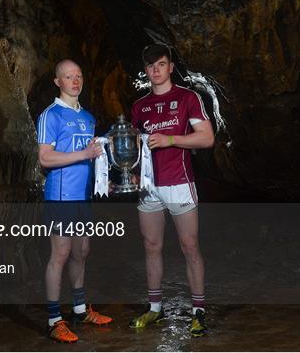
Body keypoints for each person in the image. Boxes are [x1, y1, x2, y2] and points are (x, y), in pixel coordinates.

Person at [129, 44, 215, 337]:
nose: (156, 70)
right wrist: (130, 171)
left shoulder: (187, 97)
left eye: (161, 65)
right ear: (146, 70)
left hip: (179, 182)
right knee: (151, 246)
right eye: (151, 66)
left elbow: (206, 138)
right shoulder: (139, 107)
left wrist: (170, 140)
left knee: (189, 246)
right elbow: (134, 148)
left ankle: (198, 311)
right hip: (149, 187)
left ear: (170, 67)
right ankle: (155, 308)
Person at [36, 59, 112, 343]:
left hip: (83, 197)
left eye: (79, 76)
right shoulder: (51, 115)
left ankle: (80, 309)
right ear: (58, 82)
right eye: (69, 77)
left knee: (82, 251)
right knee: (61, 253)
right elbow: (44, 157)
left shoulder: (89, 118)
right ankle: (55, 319)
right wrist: (83, 156)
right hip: (60, 196)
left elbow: (94, 159)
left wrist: (106, 181)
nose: (75, 81)